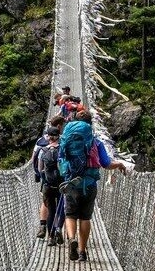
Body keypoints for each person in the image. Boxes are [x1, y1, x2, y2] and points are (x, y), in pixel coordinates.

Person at [59, 111, 126, 262]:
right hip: (89, 185)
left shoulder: (66, 139)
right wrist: (119, 164)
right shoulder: (96, 142)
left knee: (70, 215)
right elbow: (106, 164)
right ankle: (82, 252)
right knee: (85, 218)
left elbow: (61, 160)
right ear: (90, 124)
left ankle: (72, 239)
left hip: (71, 184)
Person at [38, 126, 64, 246]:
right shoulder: (63, 149)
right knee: (61, 209)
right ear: (59, 136)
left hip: (48, 186)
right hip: (62, 185)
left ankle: (51, 238)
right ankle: (58, 229)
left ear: (48, 137)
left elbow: (40, 169)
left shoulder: (42, 150)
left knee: (51, 211)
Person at [32, 129, 50, 238]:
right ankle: (56, 229)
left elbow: (34, 158)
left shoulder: (40, 141)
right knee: (60, 204)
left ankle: (43, 226)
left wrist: (38, 175)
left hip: (46, 179)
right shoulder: (62, 142)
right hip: (60, 180)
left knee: (45, 202)